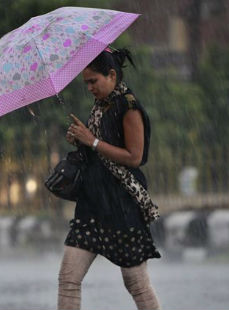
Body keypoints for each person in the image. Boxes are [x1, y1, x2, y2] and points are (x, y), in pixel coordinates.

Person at [58, 48, 161, 310]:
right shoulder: (101, 105)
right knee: (69, 278)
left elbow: (134, 156)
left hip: (122, 204)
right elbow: (96, 148)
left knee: (135, 282)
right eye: (86, 83)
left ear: (112, 75)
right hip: (93, 202)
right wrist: (78, 139)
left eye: (94, 81)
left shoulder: (128, 107)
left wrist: (90, 141)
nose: (90, 88)